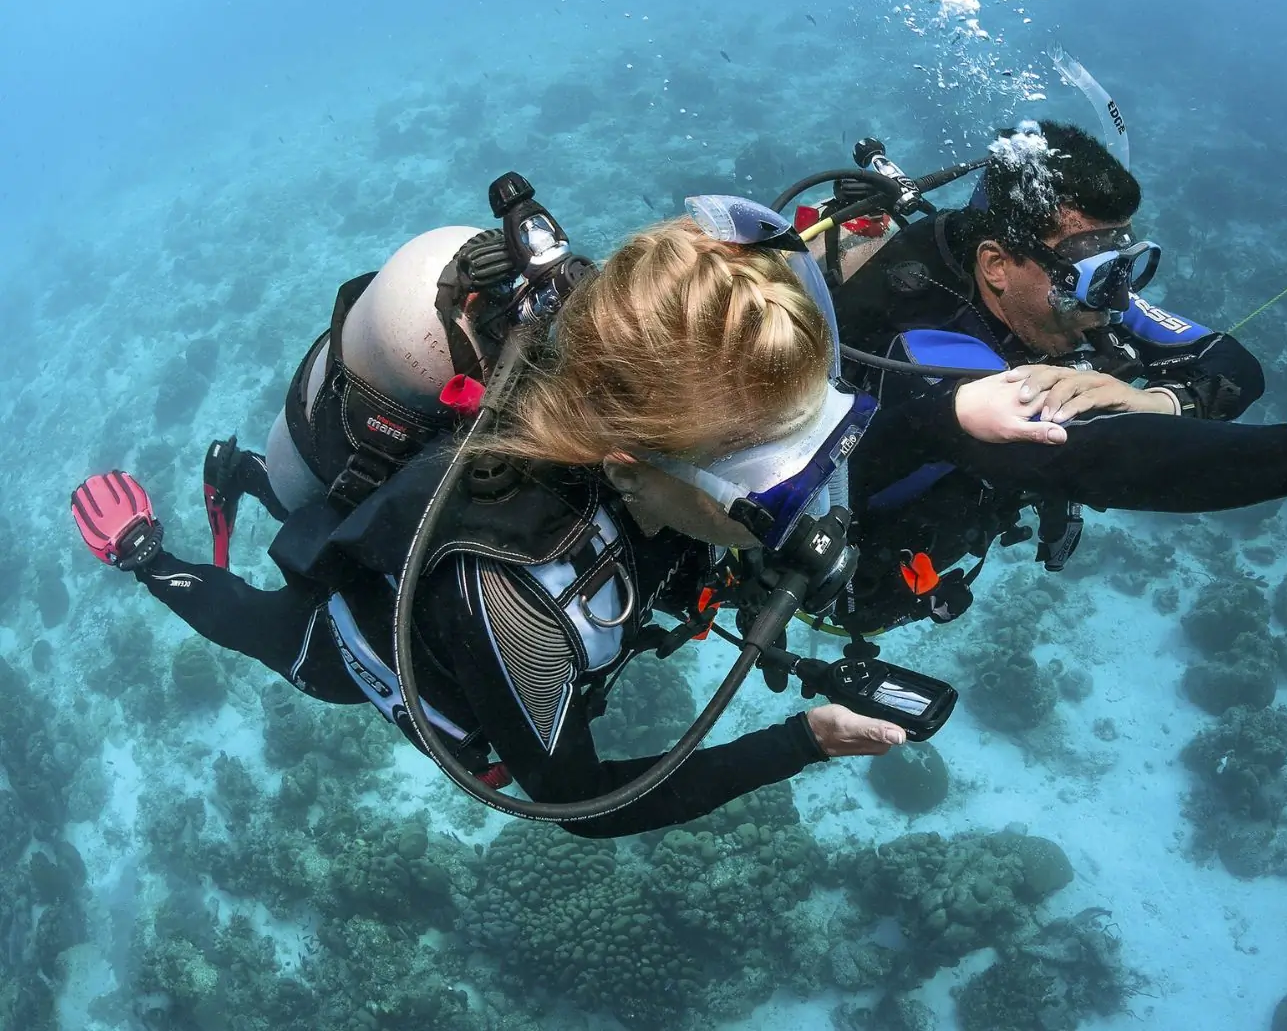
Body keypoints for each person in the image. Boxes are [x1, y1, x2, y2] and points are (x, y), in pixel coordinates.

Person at [70, 202, 912, 837]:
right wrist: (804, 741)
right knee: (277, 638)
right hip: (363, 638)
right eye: (771, 492)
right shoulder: (509, 595)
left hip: (485, 507)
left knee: (329, 524)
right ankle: (147, 554)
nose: (807, 509)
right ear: (630, 467)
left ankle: (259, 477)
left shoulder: (649, 399)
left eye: (822, 445)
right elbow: (584, 807)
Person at [818, 120, 1287, 638]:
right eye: (1093, 275)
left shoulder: (1062, 280)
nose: (1113, 299)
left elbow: (1233, 365)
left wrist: (1158, 395)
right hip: (846, 562)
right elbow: (1087, 459)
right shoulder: (920, 336)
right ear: (995, 265)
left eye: (1125, 266)